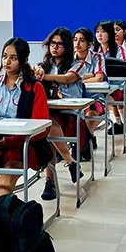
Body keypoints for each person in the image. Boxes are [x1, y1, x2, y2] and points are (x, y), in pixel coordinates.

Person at [0, 38, 52, 209]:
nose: (7, 61)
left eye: (13, 58)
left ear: (23, 60)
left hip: (22, 145)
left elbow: (41, 127)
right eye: (4, 56)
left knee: (4, 182)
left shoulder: (34, 88)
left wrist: (11, 141)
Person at [35, 27, 85, 201]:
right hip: (51, 113)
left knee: (47, 126)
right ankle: (67, 165)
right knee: (46, 126)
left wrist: (43, 76)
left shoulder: (77, 64)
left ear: (67, 46)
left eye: (59, 44)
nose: (55, 47)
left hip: (70, 113)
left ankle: (54, 177)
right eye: (52, 43)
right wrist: (38, 72)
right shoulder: (44, 66)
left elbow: (67, 79)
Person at [73, 27, 106, 137]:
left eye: (82, 40)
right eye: (75, 40)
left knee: (90, 114)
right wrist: (87, 76)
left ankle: (85, 140)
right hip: (72, 100)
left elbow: (99, 78)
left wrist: (76, 78)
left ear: (90, 44)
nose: (77, 43)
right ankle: (85, 141)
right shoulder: (69, 59)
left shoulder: (97, 57)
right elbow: (65, 78)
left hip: (94, 99)